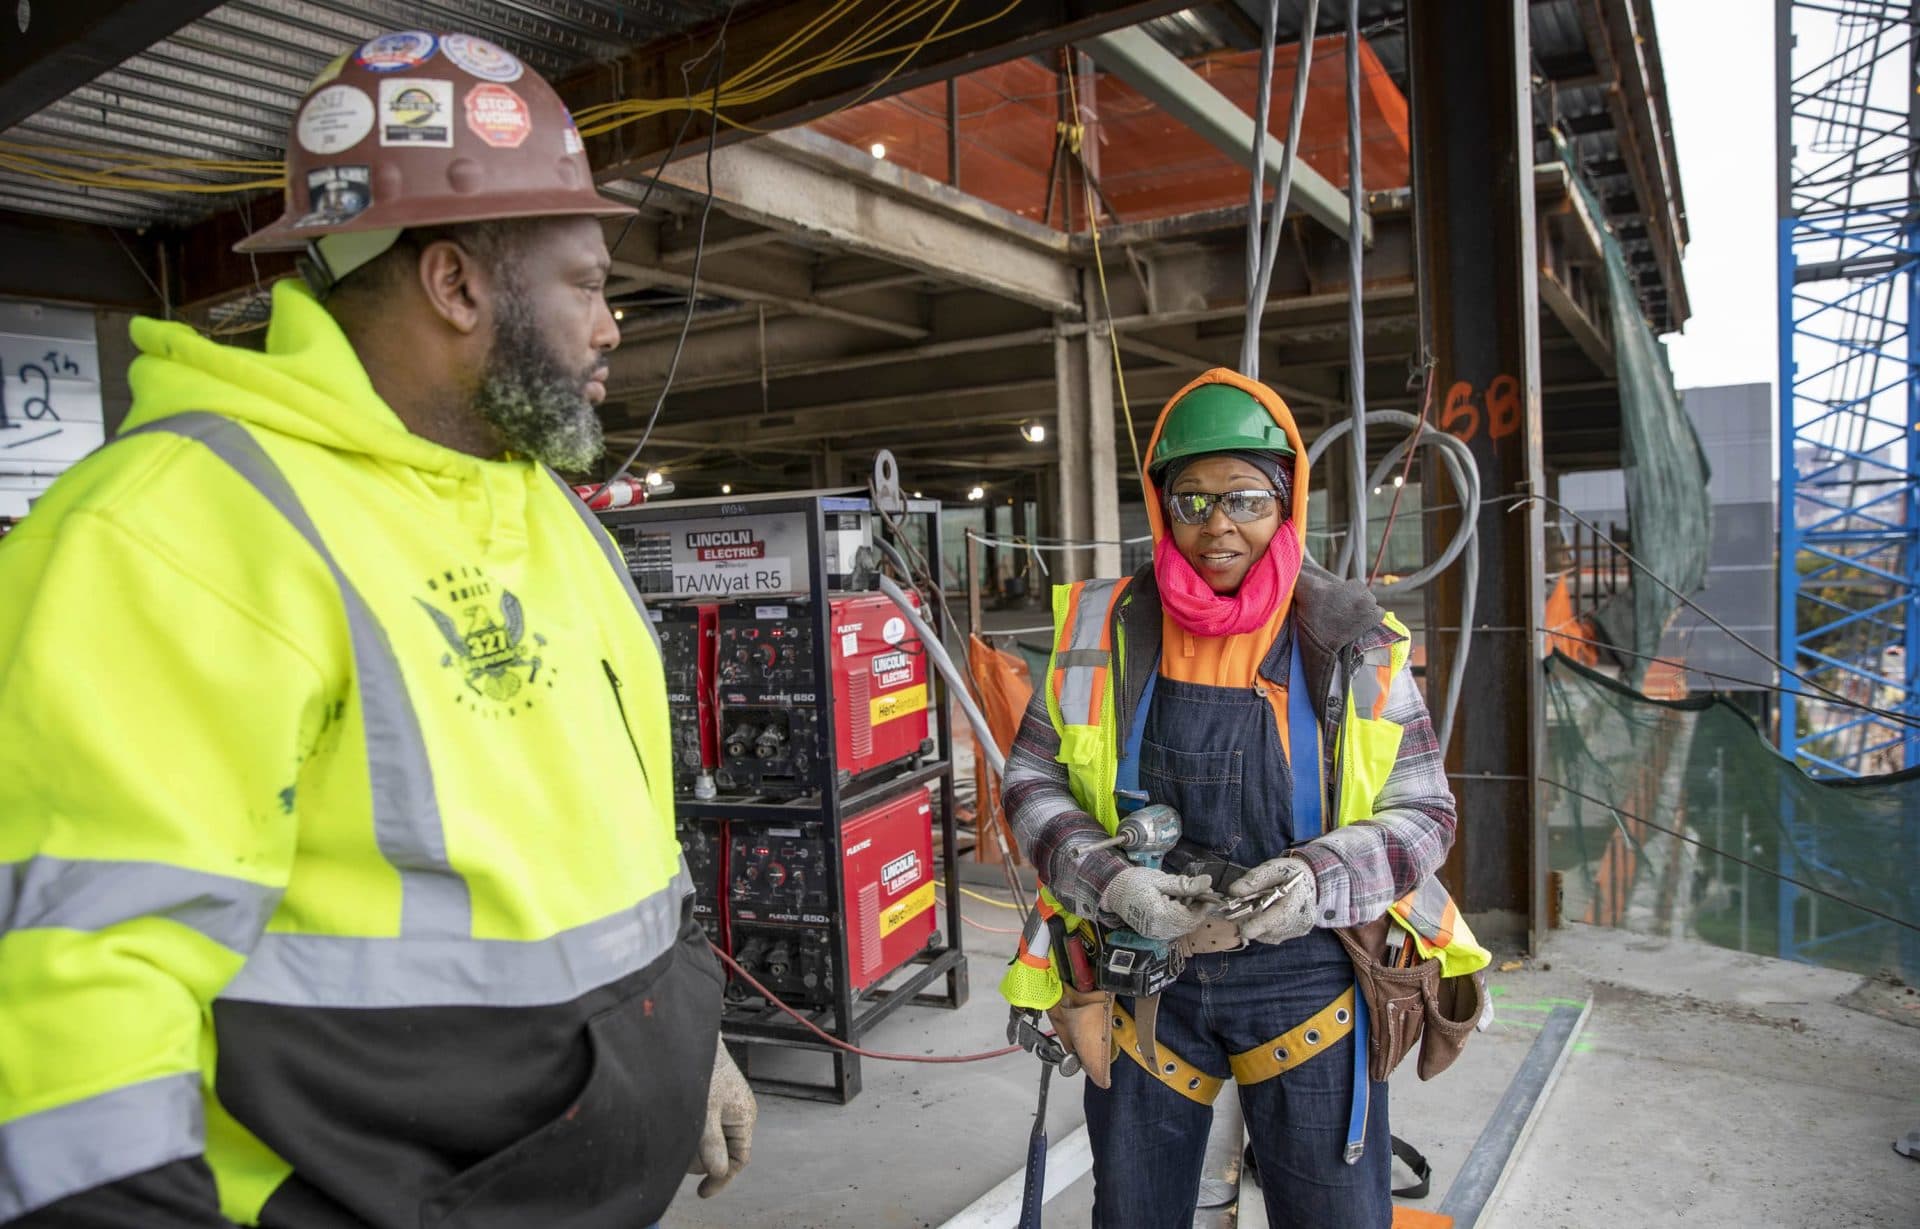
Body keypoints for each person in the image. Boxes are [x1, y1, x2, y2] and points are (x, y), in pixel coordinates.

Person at [0, 32, 753, 1228]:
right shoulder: (178, 531)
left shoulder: (551, 516)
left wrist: (682, 1039)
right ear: (457, 285)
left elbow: (610, 844)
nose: (611, 326)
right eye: (591, 284)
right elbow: (75, 1002)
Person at [999, 369, 1491, 1228]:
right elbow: (1031, 780)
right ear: (1160, 507)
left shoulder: (1351, 637)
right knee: (1136, 1212)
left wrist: (1319, 876)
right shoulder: (1100, 629)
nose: (1217, 524)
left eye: (1244, 499)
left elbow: (1425, 811)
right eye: (1191, 501)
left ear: (1285, 499)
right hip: (1143, 967)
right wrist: (1108, 876)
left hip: (1309, 975)